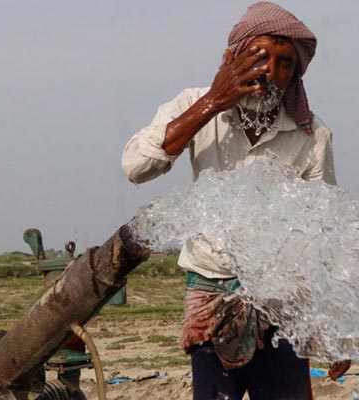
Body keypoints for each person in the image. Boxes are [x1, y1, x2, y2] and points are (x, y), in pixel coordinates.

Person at [121, 2, 344, 399]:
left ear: (296, 75)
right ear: (233, 57)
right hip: (211, 296)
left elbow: (323, 234)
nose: (270, 73)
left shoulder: (312, 136)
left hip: (282, 303)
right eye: (259, 57)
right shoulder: (196, 104)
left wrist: (336, 325)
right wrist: (213, 103)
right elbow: (136, 166)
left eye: (285, 64)